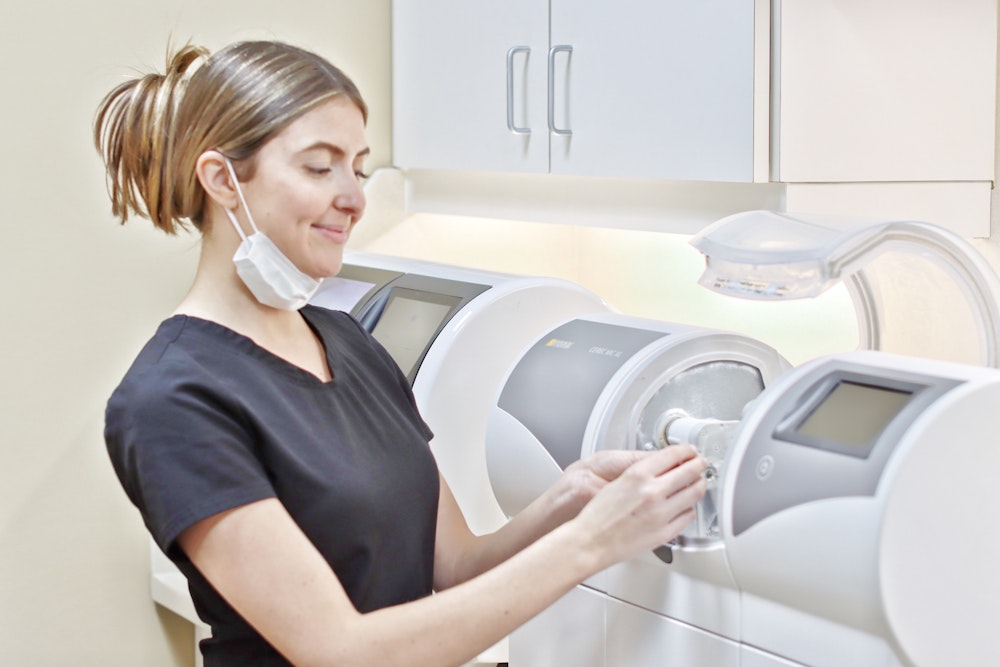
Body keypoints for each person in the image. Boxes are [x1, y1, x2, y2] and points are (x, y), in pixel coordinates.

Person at [95, 40, 708, 667]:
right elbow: (339, 650)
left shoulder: (349, 342)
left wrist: (569, 500)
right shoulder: (171, 400)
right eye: (318, 167)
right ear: (224, 179)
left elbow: (455, 567)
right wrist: (590, 544)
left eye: (357, 168)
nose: (354, 198)